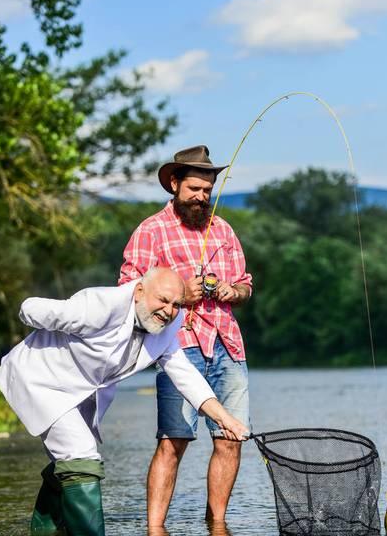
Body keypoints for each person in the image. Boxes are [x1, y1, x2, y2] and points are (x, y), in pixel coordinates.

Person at [0, 267, 248, 536]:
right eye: (162, 300)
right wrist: (36, 316)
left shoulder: (168, 325)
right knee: (81, 455)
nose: (168, 310)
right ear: (139, 291)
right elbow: (30, 308)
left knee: (70, 463)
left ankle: (45, 530)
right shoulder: (97, 306)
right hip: (42, 382)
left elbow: (184, 374)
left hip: (80, 392)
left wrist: (224, 418)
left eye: (176, 305)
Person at [119, 145, 253, 527]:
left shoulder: (223, 230)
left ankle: (218, 524)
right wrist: (181, 294)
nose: (201, 197)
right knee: (172, 441)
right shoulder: (151, 230)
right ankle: (156, 528)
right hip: (178, 348)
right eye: (194, 188)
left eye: (207, 190)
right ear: (174, 183)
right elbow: (130, 288)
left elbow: (246, 285)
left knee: (230, 438)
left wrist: (233, 291)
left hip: (228, 344)